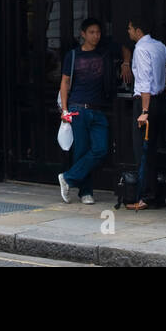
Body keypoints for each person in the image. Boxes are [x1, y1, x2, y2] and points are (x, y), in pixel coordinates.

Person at [127, 18, 166, 210]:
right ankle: (154, 194)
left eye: (130, 28)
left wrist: (144, 111)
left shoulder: (141, 49)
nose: (128, 31)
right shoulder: (158, 45)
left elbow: (144, 82)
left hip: (146, 104)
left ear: (138, 30)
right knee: (152, 150)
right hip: (160, 102)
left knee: (142, 151)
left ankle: (145, 196)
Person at [57, 18, 112, 205]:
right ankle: (85, 192)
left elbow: (124, 48)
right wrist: (65, 110)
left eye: (98, 32)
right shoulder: (73, 56)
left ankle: (68, 178)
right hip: (77, 107)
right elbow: (64, 83)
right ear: (83, 34)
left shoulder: (104, 54)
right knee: (81, 150)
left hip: (98, 108)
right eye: (91, 32)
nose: (96, 36)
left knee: (101, 149)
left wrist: (126, 63)